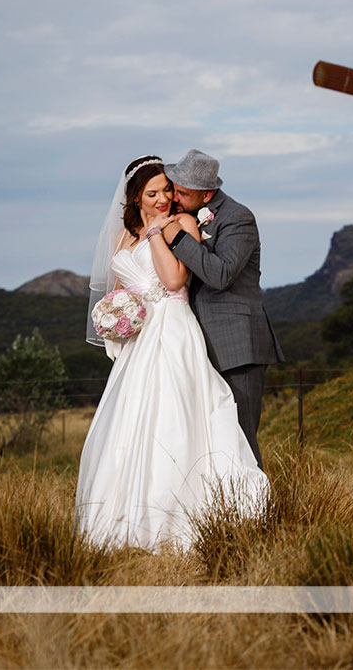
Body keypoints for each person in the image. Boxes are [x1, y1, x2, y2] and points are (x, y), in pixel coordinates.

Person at [76, 155, 268, 552]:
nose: (164, 198)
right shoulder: (122, 237)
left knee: (179, 419)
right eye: (154, 192)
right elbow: (121, 287)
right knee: (131, 424)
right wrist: (118, 313)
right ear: (135, 199)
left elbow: (174, 278)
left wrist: (156, 236)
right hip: (141, 341)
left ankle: (200, 518)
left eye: (168, 190)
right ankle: (126, 520)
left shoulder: (182, 224)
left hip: (176, 330)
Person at [161, 149, 284, 469]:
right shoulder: (182, 214)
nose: (174, 196)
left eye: (182, 193)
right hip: (194, 344)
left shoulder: (238, 217)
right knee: (209, 437)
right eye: (174, 188)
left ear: (207, 194)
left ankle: (256, 513)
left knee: (241, 437)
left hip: (237, 346)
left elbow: (221, 274)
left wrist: (177, 239)